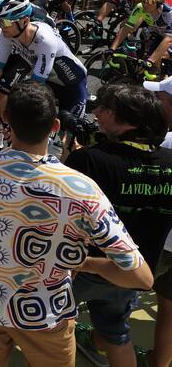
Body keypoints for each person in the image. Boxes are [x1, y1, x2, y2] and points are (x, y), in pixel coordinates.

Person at [0, 81, 152, 367]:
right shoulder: (82, 190)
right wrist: (85, 264)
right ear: (55, 126)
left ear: (6, 118)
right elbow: (142, 278)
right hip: (44, 313)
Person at [63, 82, 172, 367]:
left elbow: (60, 203)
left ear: (128, 119)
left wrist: (70, 155)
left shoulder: (89, 159)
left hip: (80, 268)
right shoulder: (170, 161)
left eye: (105, 108)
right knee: (117, 334)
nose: (96, 112)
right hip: (134, 272)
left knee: (56, 328)